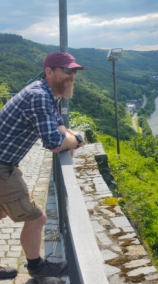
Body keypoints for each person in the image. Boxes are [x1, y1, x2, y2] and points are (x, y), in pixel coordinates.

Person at [0, 52, 85, 279]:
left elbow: (59, 128)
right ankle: (37, 267)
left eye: (74, 71)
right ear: (49, 71)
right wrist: (78, 139)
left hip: (5, 163)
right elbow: (55, 143)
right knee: (38, 218)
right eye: (67, 70)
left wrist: (70, 136)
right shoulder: (39, 95)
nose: (72, 75)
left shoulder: (50, 94)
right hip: (2, 167)